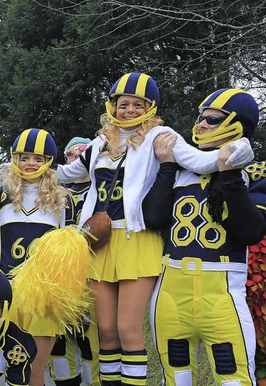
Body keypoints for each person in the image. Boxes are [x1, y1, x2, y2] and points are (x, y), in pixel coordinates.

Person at [54, 72, 255, 385]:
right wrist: (29, 168)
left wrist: (237, 152)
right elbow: (65, 173)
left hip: (137, 240)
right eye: (124, 104)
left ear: (150, 107)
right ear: (111, 105)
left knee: (128, 330)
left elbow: (202, 162)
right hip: (98, 241)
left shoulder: (161, 136)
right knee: (106, 331)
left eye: (138, 104)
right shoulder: (97, 145)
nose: (130, 110)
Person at [142, 88, 266, 385]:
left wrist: (230, 175)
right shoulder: (178, 167)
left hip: (221, 291)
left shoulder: (255, 172)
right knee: (176, 375)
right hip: (172, 288)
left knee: (232, 376)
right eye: (200, 117)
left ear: (237, 124)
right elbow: (152, 219)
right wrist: (168, 166)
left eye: (211, 119)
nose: (200, 125)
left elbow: (251, 231)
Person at [0, 128, 69, 386]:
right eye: (24, 157)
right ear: (14, 160)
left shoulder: (61, 202)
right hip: (6, 295)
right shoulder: (3, 197)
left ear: (49, 162)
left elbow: (70, 255)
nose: (30, 164)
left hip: (44, 298)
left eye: (37, 158)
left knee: (34, 374)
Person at [49, 137, 100, 386]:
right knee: (58, 342)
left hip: (93, 274)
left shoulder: (102, 190)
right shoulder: (56, 195)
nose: (77, 155)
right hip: (59, 277)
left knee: (89, 340)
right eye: (71, 152)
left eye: (83, 151)